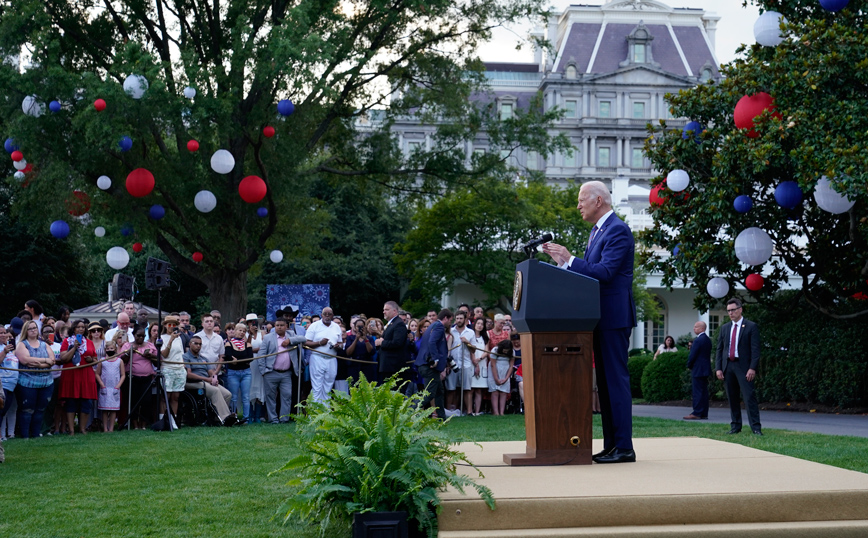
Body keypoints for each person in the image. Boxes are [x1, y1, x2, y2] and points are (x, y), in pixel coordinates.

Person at [542, 180, 637, 464]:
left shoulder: (617, 230)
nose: (578, 205)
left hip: (614, 318)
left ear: (599, 201)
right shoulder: (597, 232)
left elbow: (605, 272)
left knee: (615, 383)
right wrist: (563, 265)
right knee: (606, 386)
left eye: (582, 199)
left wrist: (570, 259)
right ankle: (612, 446)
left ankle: (624, 447)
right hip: (599, 317)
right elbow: (590, 274)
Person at [715, 298, 762, 435]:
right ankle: (735, 426)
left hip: (744, 367)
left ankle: (756, 427)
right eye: (728, 311)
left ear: (740, 309)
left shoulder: (750, 326)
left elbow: (755, 350)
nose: (731, 313)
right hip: (728, 366)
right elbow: (719, 349)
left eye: (733, 310)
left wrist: (752, 368)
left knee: (749, 397)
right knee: (732, 397)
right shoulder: (725, 328)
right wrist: (718, 368)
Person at [257, 317, 307, 423]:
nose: (279, 327)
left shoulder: (291, 335)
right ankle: (273, 419)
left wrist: (290, 341)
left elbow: (303, 339)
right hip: (271, 372)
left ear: (286, 326)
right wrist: (263, 371)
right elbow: (261, 355)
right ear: (274, 326)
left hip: (286, 373)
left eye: (281, 325)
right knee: (270, 397)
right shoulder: (268, 338)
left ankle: (284, 418)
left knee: (287, 396)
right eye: (277, 325)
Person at [14, 320, 56, 438]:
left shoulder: (44, 344)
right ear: (25, 331)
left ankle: (36, 434)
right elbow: (25, 360)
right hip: (27, 383)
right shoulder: (22, 344)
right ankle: (25, 435)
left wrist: (38, 364)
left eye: (35, 328)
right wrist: (44, 361)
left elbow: (52, 360)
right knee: (27, 409)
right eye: (30, 328)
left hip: (46, 382)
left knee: (40, 410)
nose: (33, 330)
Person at [183, 336, 237, 426]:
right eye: (195, 343)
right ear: (190, 344)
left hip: (206, 382)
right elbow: (189, 374)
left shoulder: (203, 358)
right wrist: (207, 379)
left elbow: (211, 372)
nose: (198, 346)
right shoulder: (185, 357)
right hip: (193, 383)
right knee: (215, 391)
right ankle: (225, 418)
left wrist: (214, 379)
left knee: (227, 394)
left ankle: (217, 419)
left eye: (200, 344)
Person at [58, 321, 99, 435]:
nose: (80, 329)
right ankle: (71, 430)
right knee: (71, 402)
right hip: (71, 374)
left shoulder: (89, 343)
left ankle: (82, 429)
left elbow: (96, 360)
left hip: (86, 375)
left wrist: (92, 360)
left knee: (86, 402)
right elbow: (64, 358)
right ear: (74, 329)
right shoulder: (67, 341)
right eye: (78, 327)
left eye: (82, 327)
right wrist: (74, 347)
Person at [414, 309, 453, 419]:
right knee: (429, 393)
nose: (450, 322)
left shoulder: (433, 326)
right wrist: (436, 359)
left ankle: (441, 417)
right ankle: (410, 410)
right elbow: (432, 342)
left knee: (439, 391)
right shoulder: (439, 326)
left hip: (424, 364)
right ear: (445, 318)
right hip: (429, 366)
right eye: (450, 320)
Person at [120, 327, 158, 429]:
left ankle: (143, 423)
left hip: (147, 378)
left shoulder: (150, 345)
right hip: (132, 377)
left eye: (143, 336)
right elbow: (122, 359)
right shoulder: (127, 345)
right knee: (133, 401)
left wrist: (150, 355)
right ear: (134, 335)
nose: (141, 338)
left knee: (146, 401)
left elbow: (157, 361)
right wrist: (130, 352)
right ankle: (135, 424)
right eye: (139, 336)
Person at [305, 308, 342, 403]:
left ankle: (326, 413)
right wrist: (320, 343)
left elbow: (341, 343)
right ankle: (314, 414)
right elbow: (306, 343)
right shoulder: (314, 326)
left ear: (332, 315)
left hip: (332, 358)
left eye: (329, 314)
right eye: (325, 314)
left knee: (328, 387)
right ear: (321, 315)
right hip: (318, 358)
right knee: (317, 387)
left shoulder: (336, 327)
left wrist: (338, 346)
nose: (327, 315)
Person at [223, 322, 253, 423]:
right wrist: (237, 360)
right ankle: (234, 417)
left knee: (246, 397)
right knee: (234, 397)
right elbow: (228, 356)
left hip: (246, 373)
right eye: (240, 330)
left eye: (244, 331)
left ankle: (246, 418)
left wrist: (237, 360)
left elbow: (250, 358)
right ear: (235, 331)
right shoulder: (228, 343)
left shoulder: (247, 344)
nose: (242, 332)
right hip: (233, 373)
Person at [158, 316, 186, 421]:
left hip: (179, 369)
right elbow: (164, 354)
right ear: (165, 325)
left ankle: (173, 420)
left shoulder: (179, 338)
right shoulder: (161, 338)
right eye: (169, 324)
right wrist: (170, 340)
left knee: (176, 397)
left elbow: (181, 354)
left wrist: (183, 367)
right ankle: (163, 419)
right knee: (166, 397)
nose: (171, 327)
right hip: (168, 368)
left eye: (174, 325)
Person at [684, 321, 711, 420]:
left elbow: (692, 355)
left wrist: (689, 365)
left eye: (696, 327)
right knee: (703, 391)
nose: (694, 328)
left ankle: (697, 412)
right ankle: (704, 412)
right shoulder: (707, 340)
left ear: (701, 328)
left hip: (698, 369)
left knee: (697, 391)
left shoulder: (698, 340)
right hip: (705, 369)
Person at [95, 340, 125, 432]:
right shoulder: (102, 361)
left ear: (115, 349)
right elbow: (97, 374)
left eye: (111, 348)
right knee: (104, 409)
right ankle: (105, 428)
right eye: (108, 348)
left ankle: (111, 428)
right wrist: (102, 385)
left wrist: (118, 386)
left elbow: (123, 375)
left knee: (113, 410)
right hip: (105, 387)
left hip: (115, 388)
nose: (110, 350)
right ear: (105, 350)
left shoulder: (119, 361)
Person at [376, 301, 408, 382]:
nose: (384, 312)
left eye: (386, 309)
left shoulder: (398, 324)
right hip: (387, 366)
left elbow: (397, 343)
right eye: (383, 310)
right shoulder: (391, 324)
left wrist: (381, 342)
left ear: (394, 311)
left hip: (393, 366)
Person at [450, 311, 475, 415]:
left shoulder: (470, 332)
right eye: (457, 318)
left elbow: (474, 350)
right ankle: (451, 411)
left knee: (467, 389)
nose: (459, 320)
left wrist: (467, 342)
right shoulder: (451, 331)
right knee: (451, 389)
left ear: (465, 319)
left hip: (466, 364)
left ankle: (469, 411)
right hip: (452, 364)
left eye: (461, 318)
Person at [0, 325, 19, 461]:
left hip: (11, 385)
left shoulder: (9, 347)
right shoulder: (4, 349)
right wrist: (4, 352)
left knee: (3, 413)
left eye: (4, 332)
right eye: (0, 333)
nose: (3, 335)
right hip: (2, 384)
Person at [468, 318, 489, 416]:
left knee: (479, 389)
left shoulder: (486, 336)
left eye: (482, 324)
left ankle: (477, 411)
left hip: (482, 362)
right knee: (471, 389)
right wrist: (475, 362)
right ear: (474, 324)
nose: (480, 325)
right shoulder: (470, 335)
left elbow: (487, 351)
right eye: (478, 323)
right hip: (472, 363)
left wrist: (479, 359)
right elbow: (470, 350)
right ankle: (469, 411)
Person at [488, 340, 515, 416]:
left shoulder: (512, 352)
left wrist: (506, 378)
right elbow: (493, 365)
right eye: (504, 350)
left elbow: (511, 366)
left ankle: (502, 412)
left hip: (505, 371)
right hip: (495, 370)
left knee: (503, 392)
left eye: (507, 351)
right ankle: (496, 413)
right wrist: (496, 378)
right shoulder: (495, 350)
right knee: (495, 392)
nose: (506, 352)